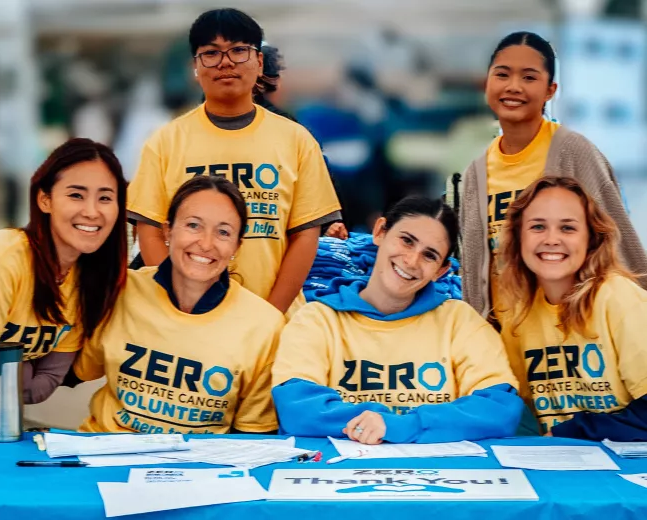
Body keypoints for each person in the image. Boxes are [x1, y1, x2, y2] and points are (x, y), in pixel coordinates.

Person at [128, 8, 341, 314]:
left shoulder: (296, 140)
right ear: (195, 67)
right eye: (211, 53)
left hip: (273, 321)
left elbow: (305, 235)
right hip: (187, 321)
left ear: (259, 62)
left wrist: (270, 315)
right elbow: (148, 230)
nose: (225, 62)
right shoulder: (165, 142)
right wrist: (181, 306)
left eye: (239, 51)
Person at [272, 195, 522, 444]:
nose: (411, 261)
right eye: (406, 241)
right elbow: (297, 408)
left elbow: (500, 408)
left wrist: (398, 424)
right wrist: (380, 424)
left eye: (430, 255)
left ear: (441, 271)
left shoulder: (460, 321)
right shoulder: (317, 319)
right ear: (380, 231)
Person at [70, 176, 284, 434]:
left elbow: (253, 436)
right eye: (193, 225)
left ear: (237, 246)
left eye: (223, 232)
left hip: (199, 469)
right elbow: (74, 370)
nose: (206, 243)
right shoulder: (119, 291)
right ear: (168, 231)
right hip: (102, 455)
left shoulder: (265, 325)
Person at [0, 138, 127, 439]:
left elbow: (46, 386)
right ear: (45, 200)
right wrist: (27, 370)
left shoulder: (85, 283)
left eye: (105, 198)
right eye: (76, 195)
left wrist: (7, 377)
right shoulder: (2, 261)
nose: (93, 211)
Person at [459, 31, 647, 320]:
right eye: (502, 74)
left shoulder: (574, 153)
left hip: (574, 337)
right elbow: (473, 270)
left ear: (550, 90)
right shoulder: (476, 173)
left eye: (529, 77)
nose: (513, 87)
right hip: (507, 344)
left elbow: (619, 246)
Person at [498, 176, 647, 441]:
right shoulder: (516, 315)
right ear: (518, 237)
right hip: (563, 466)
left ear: (591, 239)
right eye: (538, 226)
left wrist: (573, 430)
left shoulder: (619, 298)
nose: (551, 239)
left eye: (567, 228)